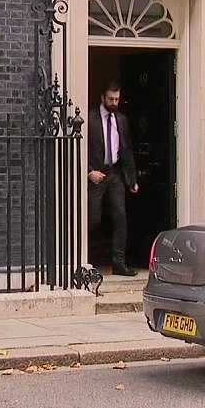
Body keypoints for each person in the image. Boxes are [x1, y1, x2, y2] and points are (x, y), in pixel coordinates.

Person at [88, 82, 139, 276]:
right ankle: (86, 261)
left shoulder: (121, 119)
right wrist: (89, 172)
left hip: (116, 173)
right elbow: (79, 148)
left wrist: (131, 178)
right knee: (93, 219)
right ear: (103, 98)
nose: (114, 102)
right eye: (111, 99)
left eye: (117, 99)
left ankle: (119, 262)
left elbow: (126, 149)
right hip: (97, 175)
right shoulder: (90, 118)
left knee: (120, 217)